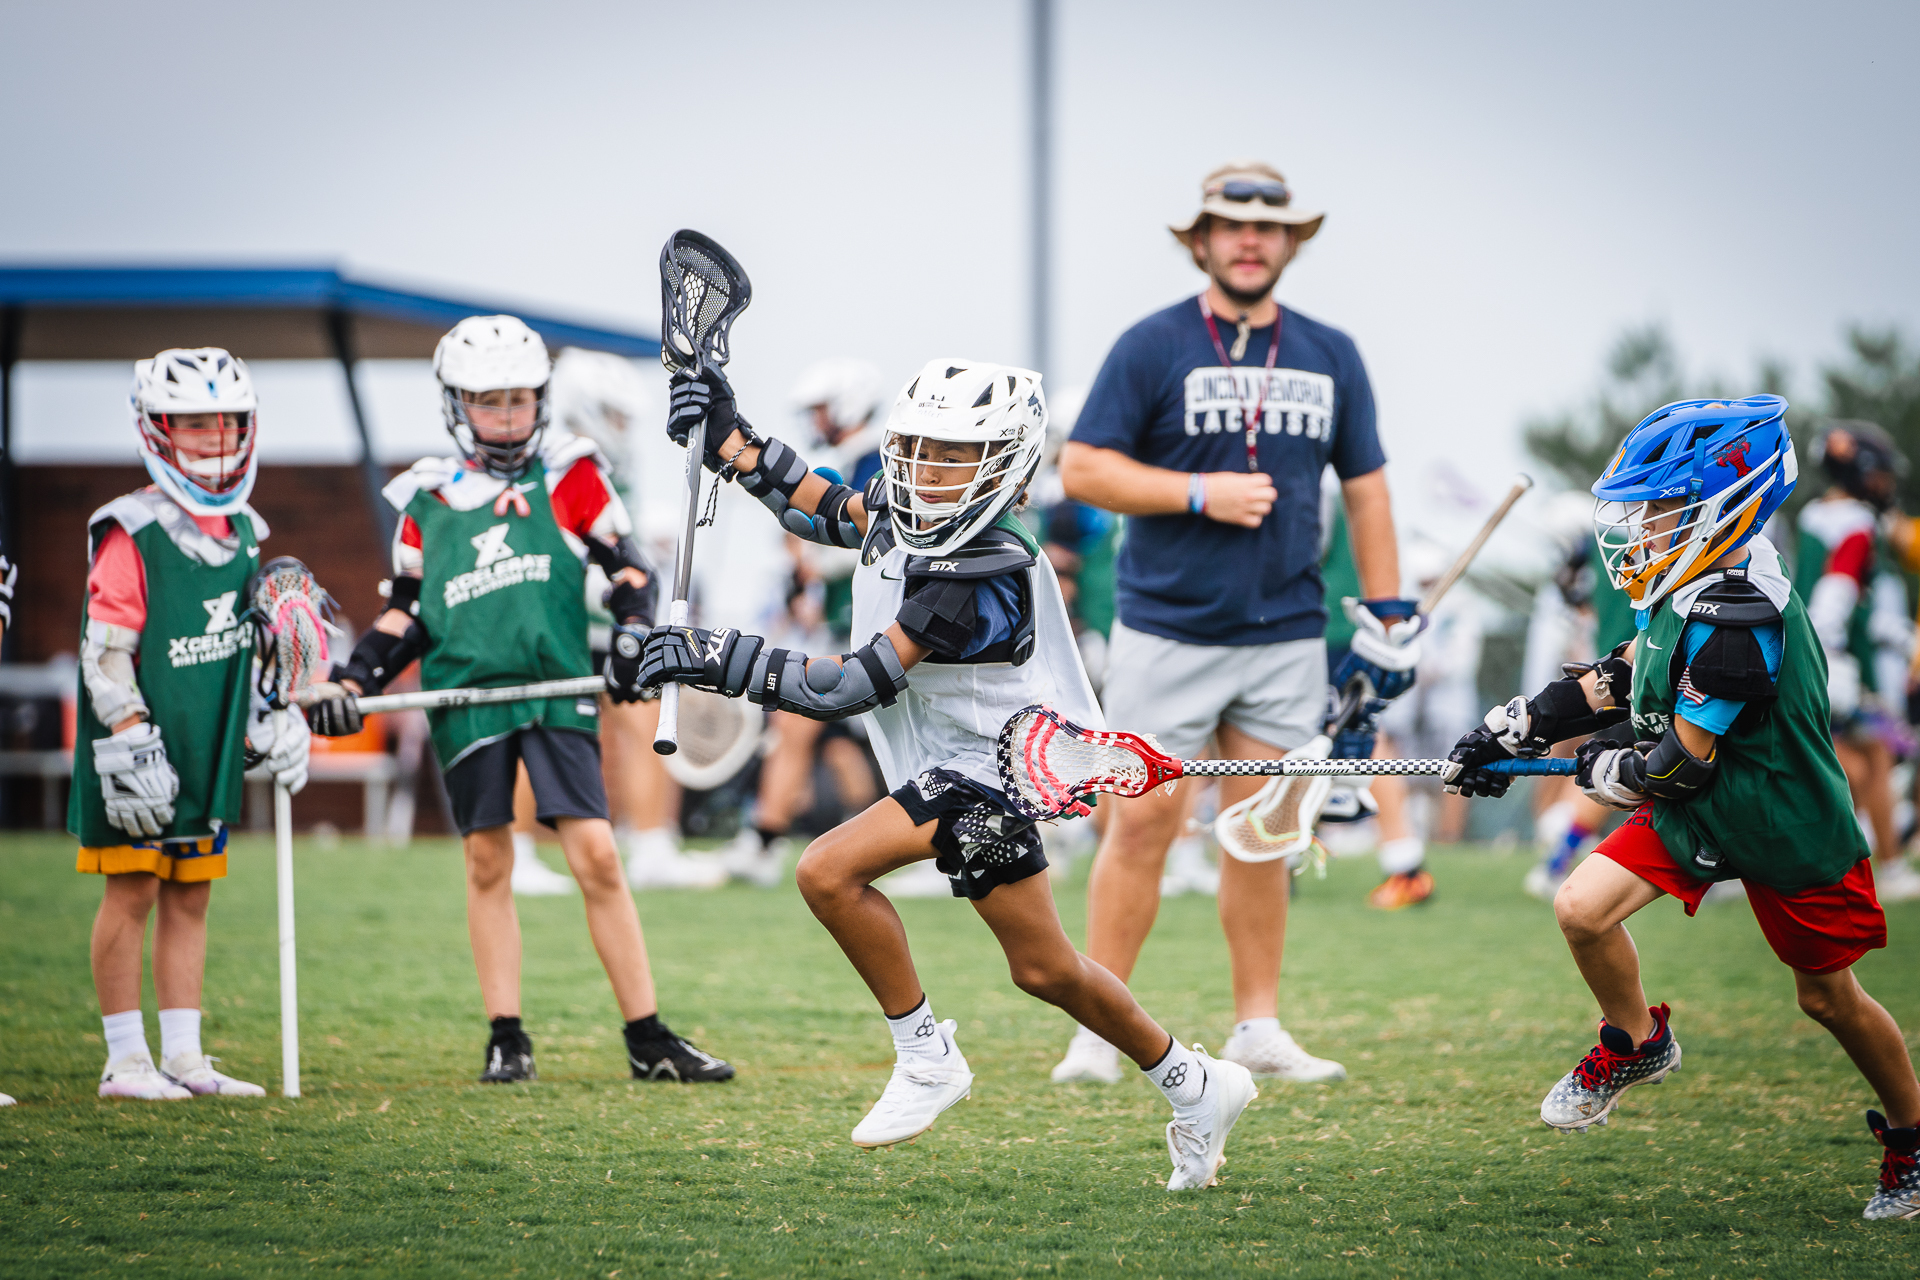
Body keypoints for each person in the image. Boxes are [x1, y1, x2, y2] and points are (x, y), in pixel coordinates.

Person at [625, 357, 1258, 1189]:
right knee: (1046, 970)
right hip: (956, 764)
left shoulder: (983, 568)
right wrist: (730, 440)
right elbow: (823, 508)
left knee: (826, 871)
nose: (927, 470)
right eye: (919, 448)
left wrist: (723, 658)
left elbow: (851, 684)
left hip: (990, 772)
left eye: (954, 455)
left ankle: (925, 1057)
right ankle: (1197, 1084)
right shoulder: (915, 509)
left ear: (1005, 466)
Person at [1446, 395, 1920, 1222]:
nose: (1641, 526)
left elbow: (1677, 764)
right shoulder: (1690, 577)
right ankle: (1638, 1041)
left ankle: (1913, 1136)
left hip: (1777, 817)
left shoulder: (1743, 609)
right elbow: (1627, 672)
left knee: (1828, 998)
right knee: (1582, 908)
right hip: (1705, 810)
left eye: (1661, 507)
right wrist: (1515, 726)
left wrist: (1603, 771)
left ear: (1723, 508)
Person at [1055, 160, 1418, 1084]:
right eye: (1231, 224)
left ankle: (1258, 1026)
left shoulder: (1332, 351)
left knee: (1264, 831)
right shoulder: (1153, 343)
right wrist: (1197, 491)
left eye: (1269, 227)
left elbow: (1368, 489)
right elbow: (1084, 468)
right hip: (1165, 629)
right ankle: (1098, 1031)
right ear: (1202, 240)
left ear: (1291, 242)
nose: (1250, 240)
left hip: (1285, 633)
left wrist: (1390, 612)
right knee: (1141, 825)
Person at [306, 316, 732, 1085]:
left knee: (597, 854)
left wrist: (634, 636)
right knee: (487, 859)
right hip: (466, 697)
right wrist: (353, 680)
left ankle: (647, 1037)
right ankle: (507, 1037)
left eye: (518, 400)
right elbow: (406, 613)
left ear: (541, 399)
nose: (505, 417)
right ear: (457, 404)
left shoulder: (573, 475)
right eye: (487, 401)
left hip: (555, 688)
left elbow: (629, 573)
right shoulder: (427, 497)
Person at [72, 348, 311, 1100]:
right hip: (140, 747)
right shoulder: (131, 528)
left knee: (190, 894)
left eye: (227, 421)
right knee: (133, 890)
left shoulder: (244, 529)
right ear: (157, 428)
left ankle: (184, 1056)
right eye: (194, 422)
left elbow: (248, 648)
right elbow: (105, 652)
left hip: (206, 744)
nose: (214, 437)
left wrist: (272, 714)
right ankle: (125, 1061)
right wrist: (130, 732)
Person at [719, 359, 889, 889]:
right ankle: (870, 846)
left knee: (797, 721)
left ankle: (764, 841)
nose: (815, 420)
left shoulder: (878, 462)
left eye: (821, 408)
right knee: (833, 743)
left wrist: (808, 552)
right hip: (849, 626)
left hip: (883, 628)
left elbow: (877, 539)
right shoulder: (849, 459)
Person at [1802, 423, 1920, 902]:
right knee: (1865, 759)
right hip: (1831, 658)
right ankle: (1879, 868)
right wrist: (1828, 652)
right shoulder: (1855, 521)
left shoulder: (1814, 515)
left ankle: (1864, 868)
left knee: (1862, 759)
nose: (1884, 482)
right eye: (1878, 472)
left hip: (1816, 651)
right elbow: (1838, 590)